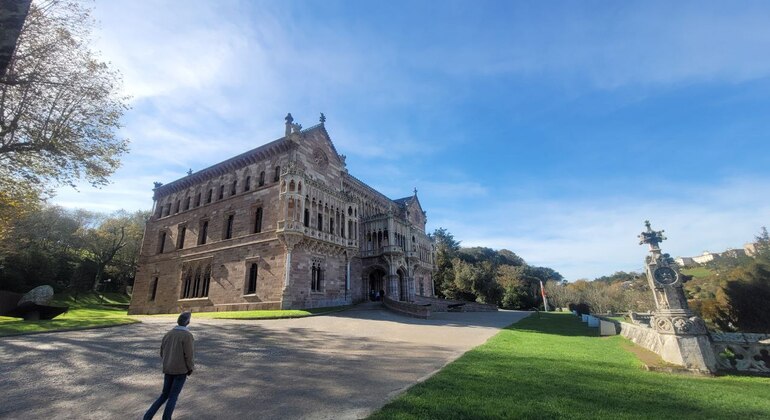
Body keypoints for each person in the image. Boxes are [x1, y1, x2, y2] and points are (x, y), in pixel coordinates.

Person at [144, 312, 195, 420]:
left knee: (164, 395)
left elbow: (162, 352)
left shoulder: (168, 334)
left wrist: (168, 363)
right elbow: (189, 355)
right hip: (180, 371)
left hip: (168, 369)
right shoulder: (187, 336)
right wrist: (190, 368)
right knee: (173, 397)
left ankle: (147, 416)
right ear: (188, 322)